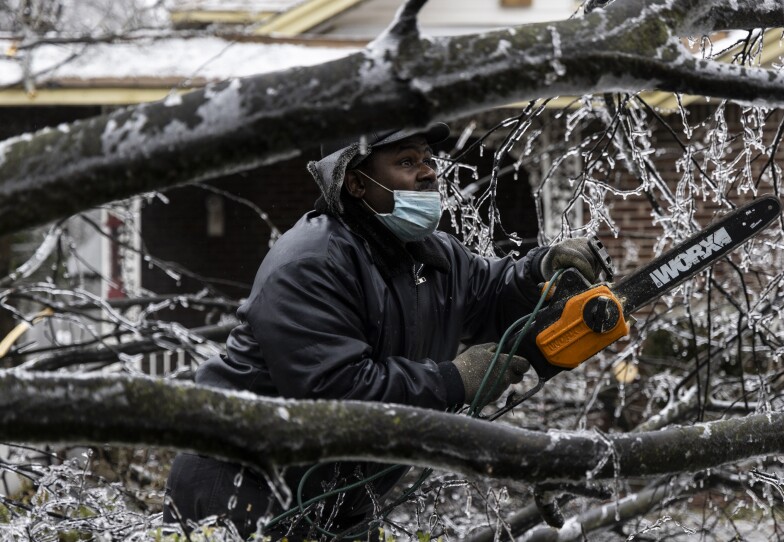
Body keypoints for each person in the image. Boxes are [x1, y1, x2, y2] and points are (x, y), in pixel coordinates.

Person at [163, 123, 604, 539]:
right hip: (240, 490)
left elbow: (490, 295)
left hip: (339, 498)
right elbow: (336, 392)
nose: (428, 171)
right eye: (407, 162)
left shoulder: (433, 257)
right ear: (355, 183)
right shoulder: (313, 263)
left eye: (428, 158)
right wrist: (455, 379)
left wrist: (541, 270)